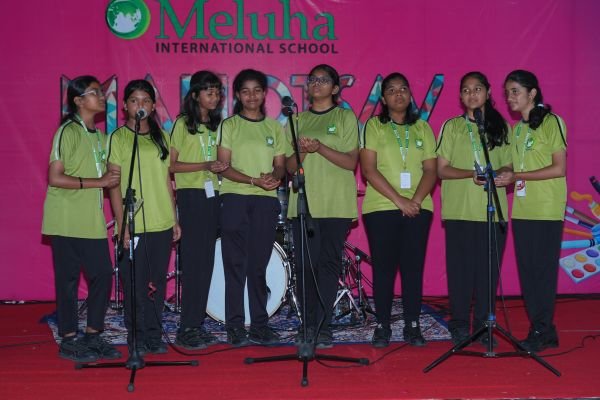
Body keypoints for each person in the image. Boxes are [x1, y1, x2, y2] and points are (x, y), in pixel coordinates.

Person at [42, 75, 122, 362]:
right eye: (94, 92)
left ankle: (93, 334)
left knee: (103, 274)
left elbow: (109, 178)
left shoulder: (101, 137)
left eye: (101, 92)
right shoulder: (67, 131)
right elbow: (55, 177)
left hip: (92, 220)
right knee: (68, 279)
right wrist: (99, 182)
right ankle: (68, 339)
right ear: (78, 101)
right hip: (65, 218)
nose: (101, 97)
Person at [360, 73, 437, 348]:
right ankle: (382, 326)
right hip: (381, 207)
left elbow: (431, 170)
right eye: (391, 90)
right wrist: (400, 201)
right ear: (383, 98)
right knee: (384, 269)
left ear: (410, 94)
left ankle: (412, 325)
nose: (398, 94)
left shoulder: (423, 128)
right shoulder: (374, 126)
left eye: (403, 88)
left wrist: (414, 200)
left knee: (413, 269)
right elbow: (368, 170)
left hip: (419, 207)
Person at [286, 64, 359, 349]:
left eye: (324, 80)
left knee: (328, 265)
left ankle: (323, 326)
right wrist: (303, 151)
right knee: (305, 266)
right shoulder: (296, 120)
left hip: (336, 203)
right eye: (313, 79)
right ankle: (307, 324)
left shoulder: (345, 117)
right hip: (305, 204)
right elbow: (289, 168)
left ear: (336, 88)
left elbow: (351, 162)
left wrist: (320, 148)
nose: (316, 84)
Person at [436, 71, 512, 346]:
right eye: (466, 90)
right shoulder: (451, 126)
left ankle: (483, 326)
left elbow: (509, 165)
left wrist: (498, 173)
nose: (472, 94)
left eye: (477, 89)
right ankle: (458, 325)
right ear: (460, 96)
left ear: (488, 92)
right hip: (459, 211)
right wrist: (471, 174)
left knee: (488, 274)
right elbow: (441, 170)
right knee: (460, 273)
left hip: (492, 211)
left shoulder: (501, 127)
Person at [107, 79, 181, 355]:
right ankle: (135, 335)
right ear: (125, 105)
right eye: (134, 100)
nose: (140, 105)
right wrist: (122, 225)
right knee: (134, 284)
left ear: (153, 106)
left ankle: (153, 333)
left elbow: (166, 182)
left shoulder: (162, 137)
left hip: (161, 220)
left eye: (146, 100)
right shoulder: (118, 138)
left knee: (156, 283)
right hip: (132, 223)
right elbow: (114, 184)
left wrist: (174, 218)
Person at [498, 70, 566, 352]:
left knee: (543, 272)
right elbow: (516, 167)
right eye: (507, 93)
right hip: (522, 209)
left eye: (515, 91)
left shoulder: (552, 122)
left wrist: (517, 176)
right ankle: (544, 330)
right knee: (527, 272)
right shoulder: (518, 130)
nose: (510, 97)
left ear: (532, 93)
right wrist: (501, 174)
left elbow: (559, 168)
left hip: (547, 208)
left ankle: (541, 328)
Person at [217, 69, 286, 346]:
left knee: (258, 265)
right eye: (245, 91)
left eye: (257, 90)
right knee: (235, 265)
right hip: (235, 198)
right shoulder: (230, 125)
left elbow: (280, 164)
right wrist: (253, 180)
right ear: (237, 95)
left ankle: (259, 325)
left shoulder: (275, 127)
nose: (252, 96)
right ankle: (234, 326)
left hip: (266, 201)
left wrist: (275, 176)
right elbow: (223, 166)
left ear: (265, 93)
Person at [170, 71, 228, 350]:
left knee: (206, 263)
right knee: (194, 263)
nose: (214, 97)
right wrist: (204, 165)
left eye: (217, 92)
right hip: (192, 195)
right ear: (194, 95)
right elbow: (171, 165)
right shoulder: (183, 124)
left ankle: (196, 323)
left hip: (213, 195)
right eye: (208, 92)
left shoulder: (219, 126)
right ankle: (186, 327)